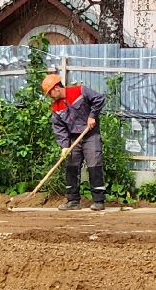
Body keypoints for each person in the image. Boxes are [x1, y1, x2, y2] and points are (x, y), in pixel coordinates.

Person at [41, 73, 108, 211]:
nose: (50, 96)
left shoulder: (80, 91)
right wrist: (64, 146)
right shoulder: (56, 108)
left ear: (57, 88)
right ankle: (73, 201)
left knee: (94, 164)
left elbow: (99, 99)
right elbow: (59, 129)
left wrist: (92, 116)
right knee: (71, 166)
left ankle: (99, 201)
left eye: (50, 93)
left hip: (90, 135)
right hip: (73, 139)